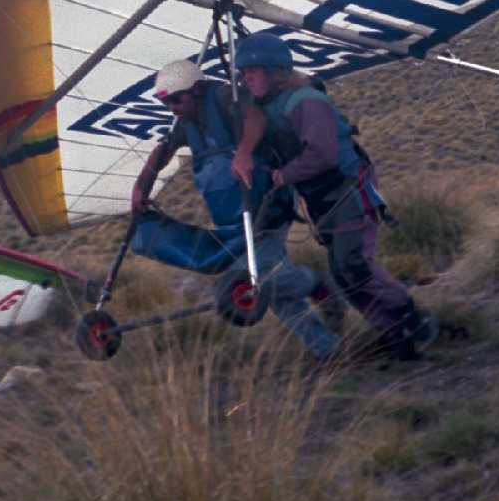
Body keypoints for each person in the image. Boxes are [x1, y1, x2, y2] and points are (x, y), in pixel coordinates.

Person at [230, 33, 439, 361]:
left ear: (275, 70)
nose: (248, 78)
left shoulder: (305, 101)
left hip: (347, 189)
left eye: (254, 71)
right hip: (322, 199)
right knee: (344, 275)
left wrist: (283, 176)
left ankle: (415, 319)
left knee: (354, 266)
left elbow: (323, 154)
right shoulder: (269, 105)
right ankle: (396, 335)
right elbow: (256, 120)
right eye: (244, 73)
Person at [130, 58, 342, 358]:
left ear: (197, 89)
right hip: (235, 218)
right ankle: (327, 346)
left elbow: (256, 118)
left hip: (267, 203)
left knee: (260, 279)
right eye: (167, 103)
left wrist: (243, 153)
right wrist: (141, 187)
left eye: (177, 99)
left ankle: (317, 285)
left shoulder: (221, 97)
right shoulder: (186, 123)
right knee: (267, 284)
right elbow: (162, 151)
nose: (173, 108)